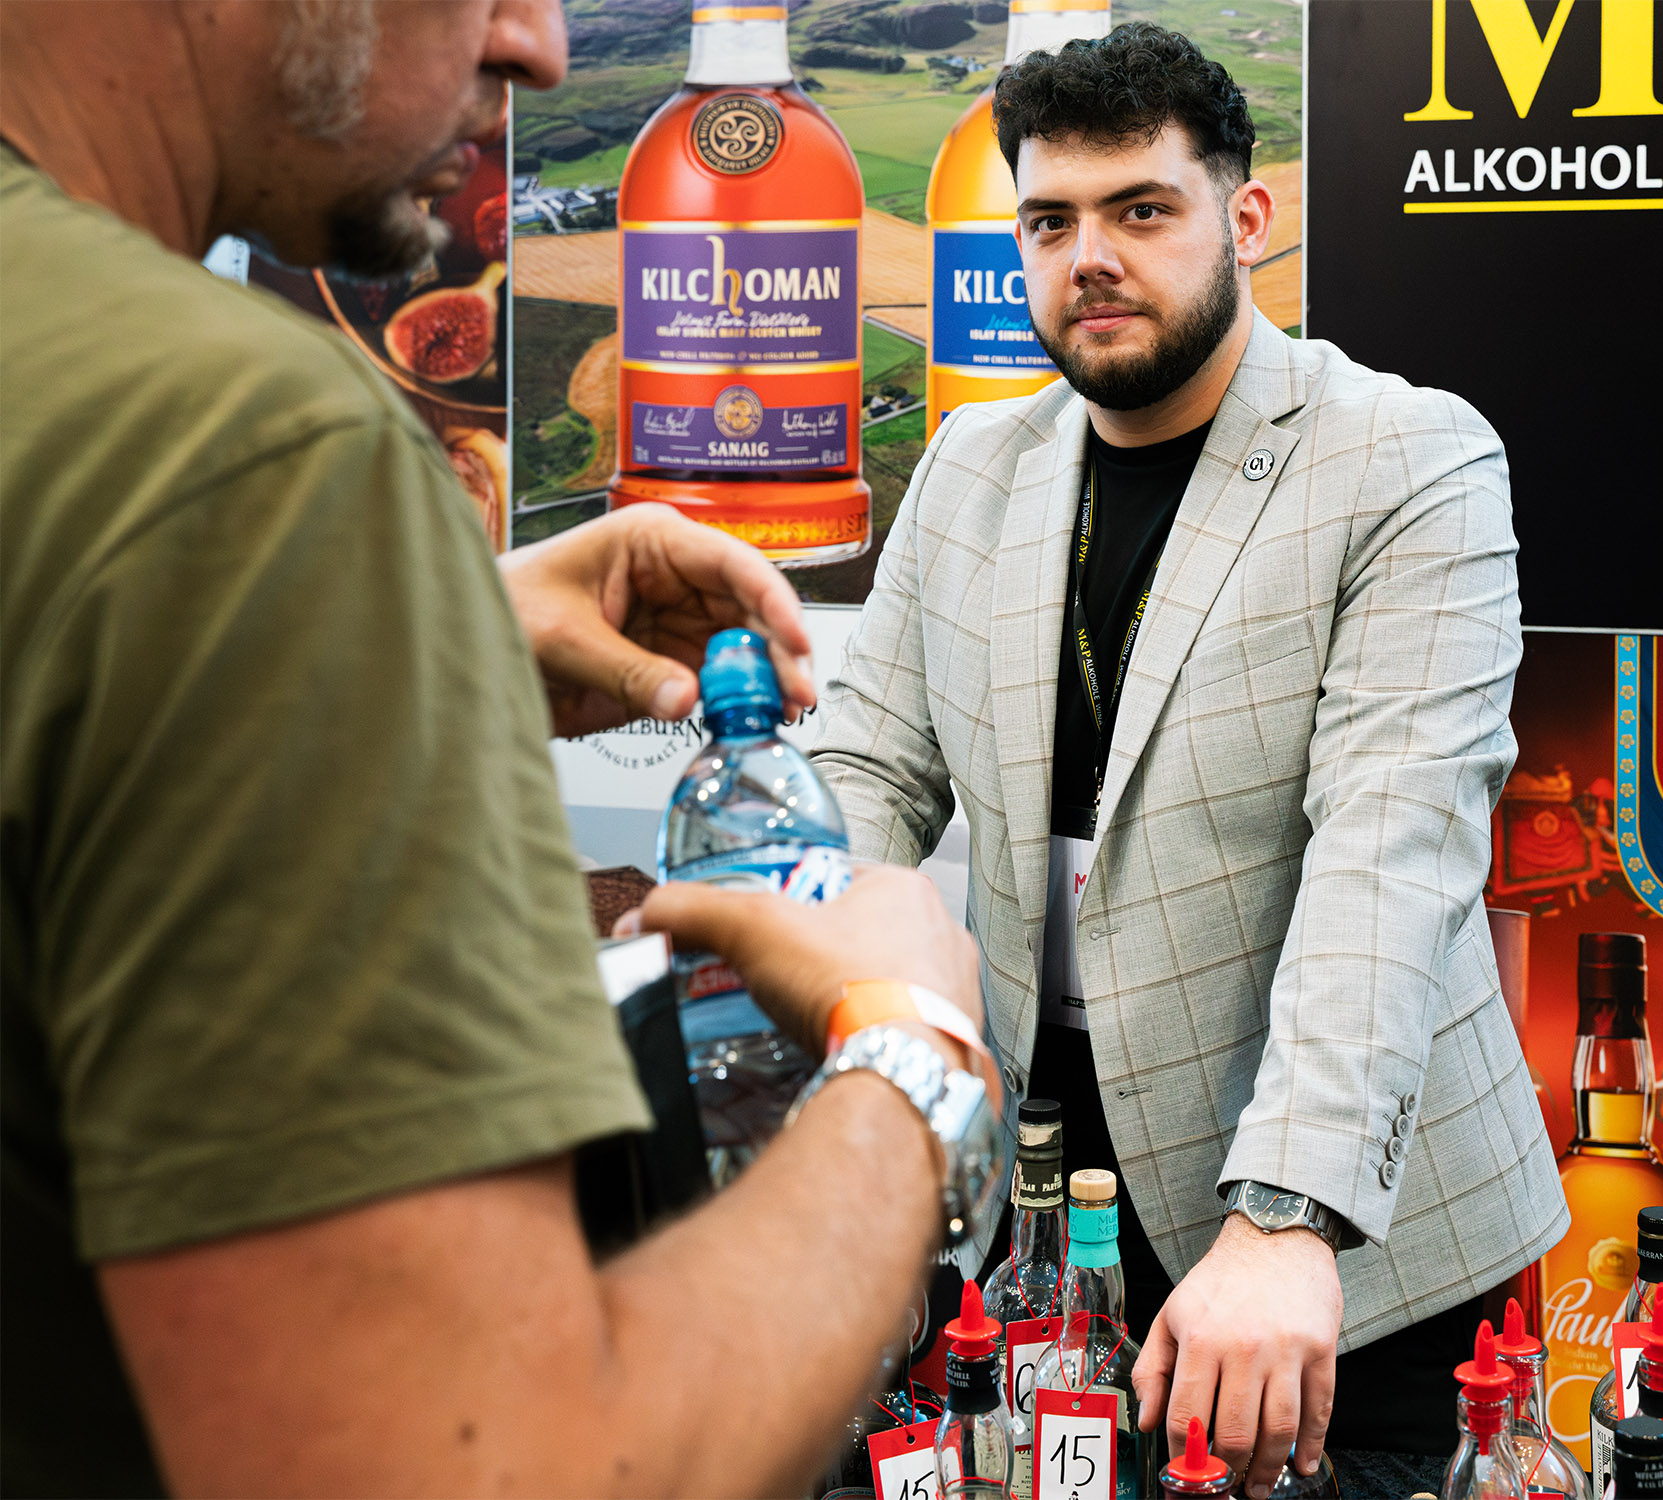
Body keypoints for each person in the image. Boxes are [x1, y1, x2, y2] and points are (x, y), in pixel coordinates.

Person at [0, 3, 993, 1495]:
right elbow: (501, 1468)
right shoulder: (244, 454)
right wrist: (910, 1059)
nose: (537, 44)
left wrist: (402, 643)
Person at [807, 21, 1567, 1498]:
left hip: (1340, 1238)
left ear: (1247, 217)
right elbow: (867, 774)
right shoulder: (969, 467)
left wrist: (1286, 1219)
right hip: (1043, 1213)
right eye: (1049, 221)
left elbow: (1389, 855)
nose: (1089, 257)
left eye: (1141, 209)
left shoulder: (1408, 460)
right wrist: (815, 1044)